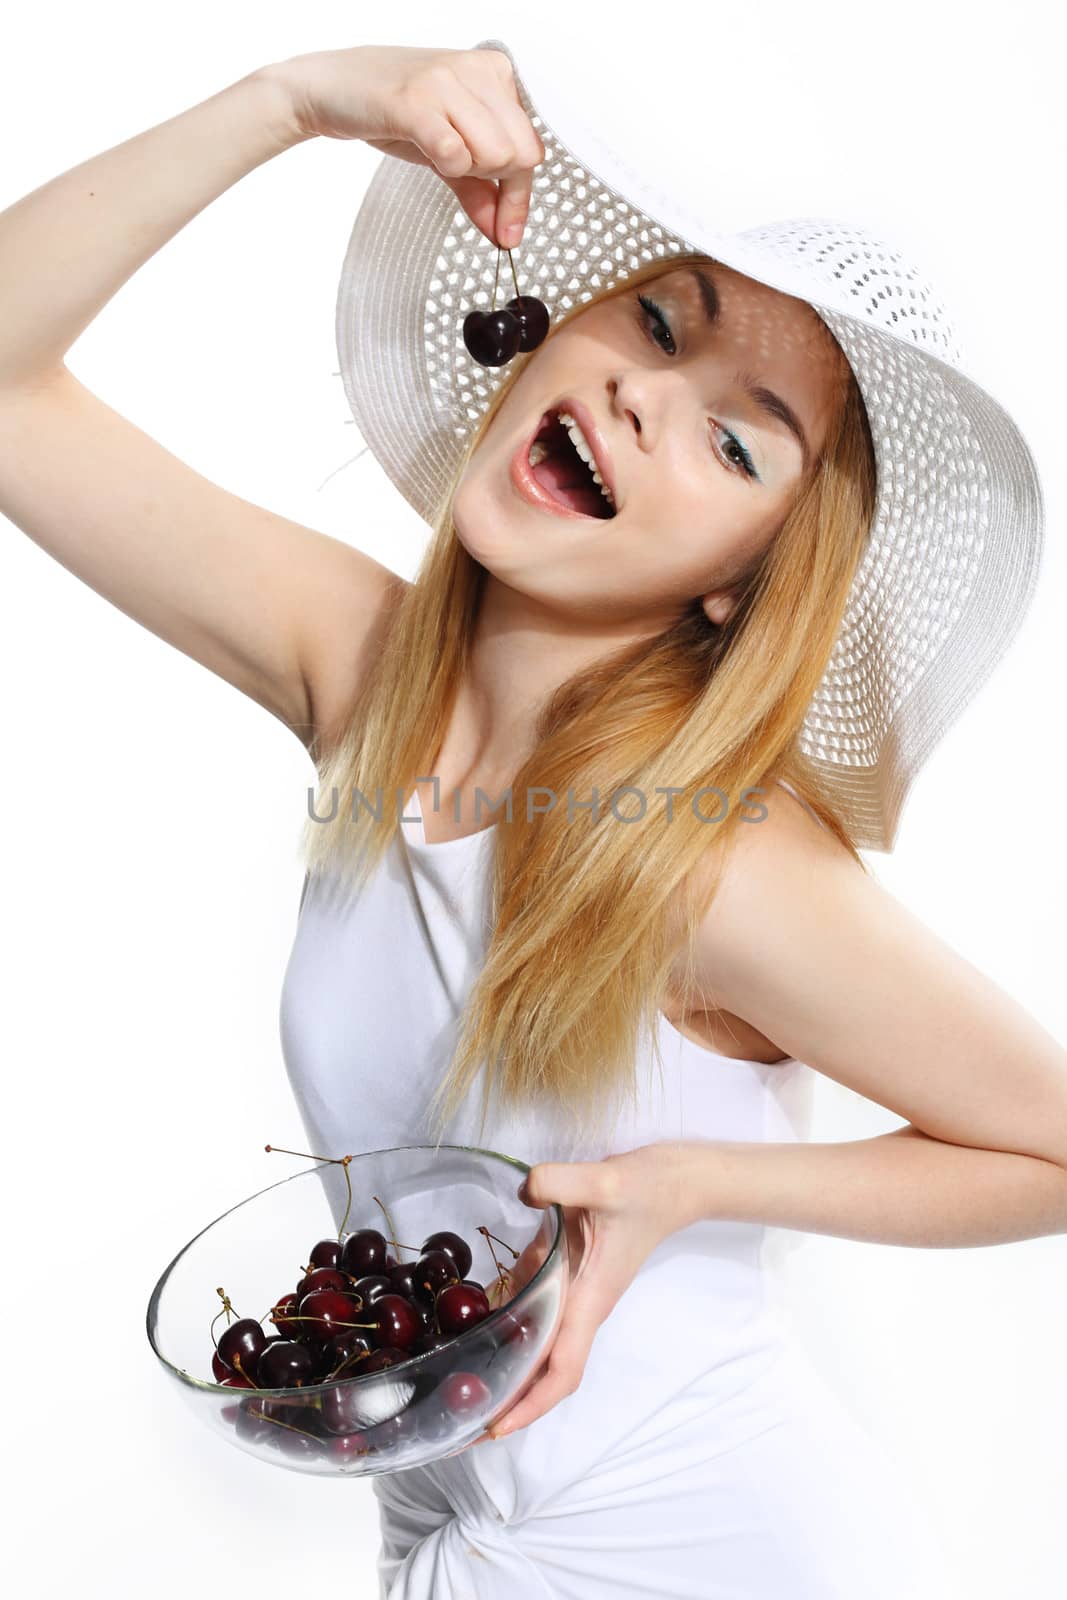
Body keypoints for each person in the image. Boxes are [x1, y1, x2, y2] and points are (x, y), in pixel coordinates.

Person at [1, 36, 1063, 1600]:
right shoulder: (361, 675)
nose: (644, 395)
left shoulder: (707, 857)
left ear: (739, 578)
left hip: (733, 1551)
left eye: (733, 435)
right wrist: (287, 102)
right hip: (452, 1549)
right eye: (652, 323)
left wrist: (704, 1184)